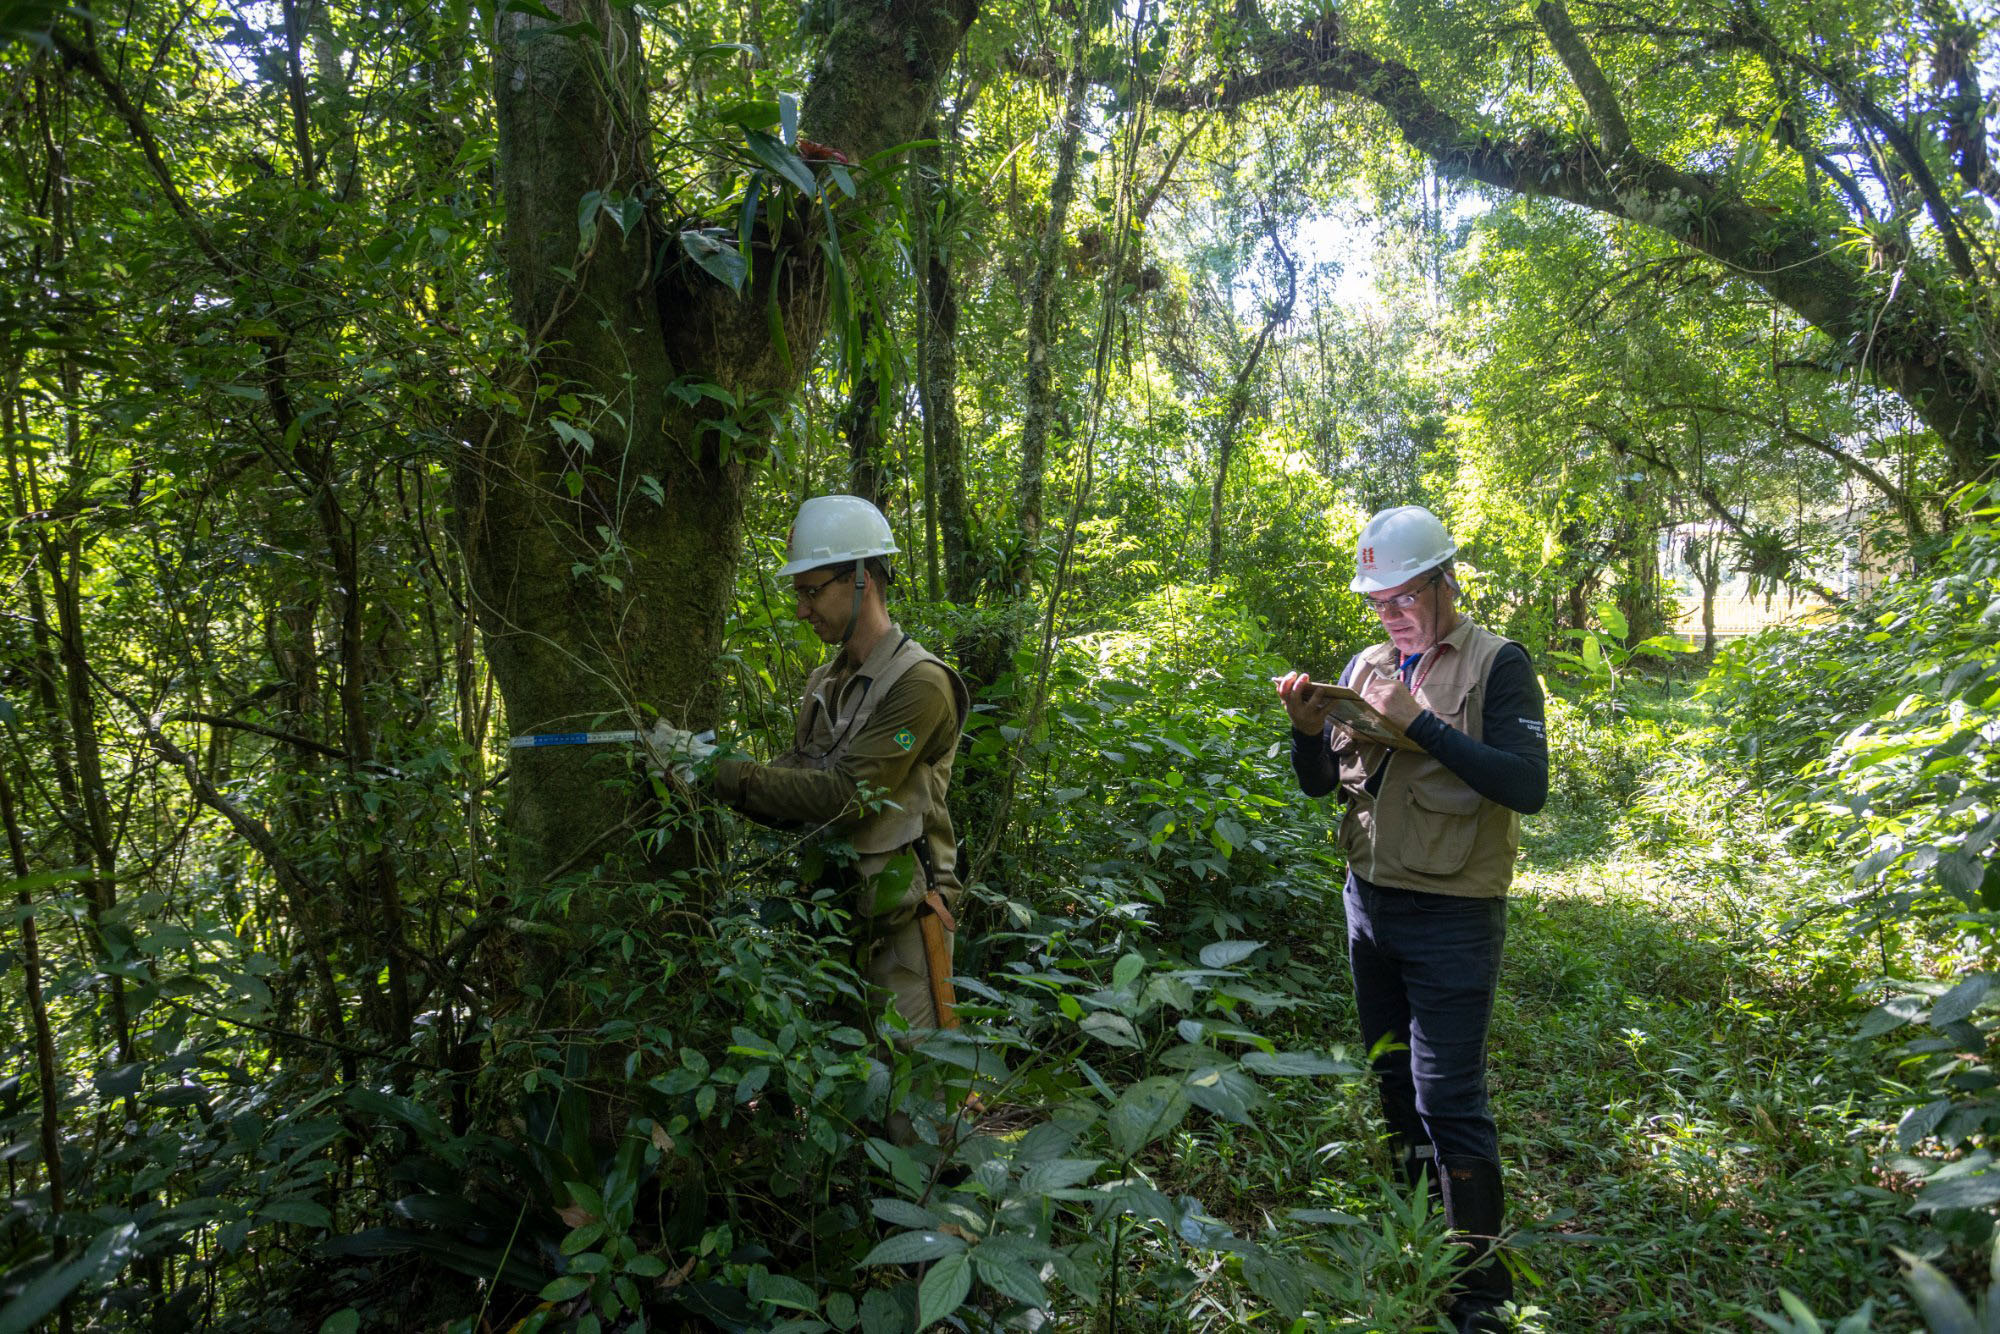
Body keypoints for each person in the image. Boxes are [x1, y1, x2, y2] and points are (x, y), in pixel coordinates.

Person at [1275, 505, 1547, 1334]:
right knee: (1392, 1077)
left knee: (1450, 1096)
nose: (1390, 614)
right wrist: (1307, 732)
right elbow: (1324, 785)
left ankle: (1480, 1291)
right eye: (1378, 601)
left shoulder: (1500, 664)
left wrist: (1417, 719)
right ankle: (1415, 1224)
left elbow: (1526, 786)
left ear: (1444, 580)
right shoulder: (1366, 664)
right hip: (1369, 902)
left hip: (1456, 912)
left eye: (1403, 596)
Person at [649, 494, 970, 1037]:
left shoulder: (922, 684)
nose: (802, 610)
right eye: (799, 594)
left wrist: (714, 770)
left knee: (913, 1108)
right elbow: (792, 793)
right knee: (846, 1099)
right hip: (829, 923)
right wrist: (703, 770)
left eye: (811, 591)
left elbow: (841, 798)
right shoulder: (826, 682)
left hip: (903, 930)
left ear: (863, 579)